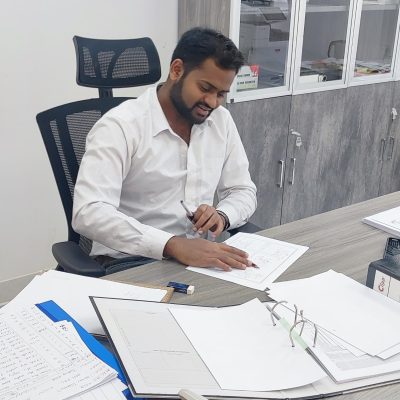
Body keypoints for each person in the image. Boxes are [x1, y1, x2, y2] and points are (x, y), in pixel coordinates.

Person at [72, 27, 257, 272]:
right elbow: (89, 212)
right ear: (177, 70)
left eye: (221, 94)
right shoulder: (120, 126)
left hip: (198, 262)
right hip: (129, 263)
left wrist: (222, 215)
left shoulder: (221, 121)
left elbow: (243, 190)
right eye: (205, 88)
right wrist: (171, 244)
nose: (212, 102)